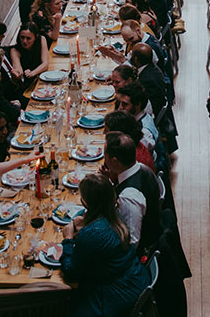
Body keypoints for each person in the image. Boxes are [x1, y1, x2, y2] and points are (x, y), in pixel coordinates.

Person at [61, 174, 151, 317]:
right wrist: (83, 220)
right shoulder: (115, 214)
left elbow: (70, 272)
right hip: (136, 281)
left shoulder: (93, 233)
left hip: (115, 298)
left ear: (85, 202)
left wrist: (67, 239)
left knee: (62, 303)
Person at [103, 131, 161, 252]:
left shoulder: (129, 198)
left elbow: (132, 243)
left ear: (114, 161)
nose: (104, 158)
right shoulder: (142, 168)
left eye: (105, 155)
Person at [129, 42, 169, 116]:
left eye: (131, 54)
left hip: (150, 113)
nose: (129, 55)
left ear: (136, 59)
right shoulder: (151, 67)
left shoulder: (147, 80)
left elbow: (146, 107)